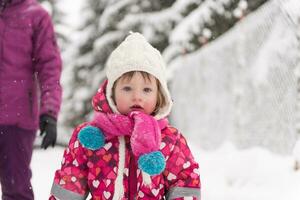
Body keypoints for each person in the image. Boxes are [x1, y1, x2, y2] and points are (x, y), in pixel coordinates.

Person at [49, 32, 200, 200]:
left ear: (159, 95)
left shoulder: (170, 140)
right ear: (111, 93)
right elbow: (70, 185)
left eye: (147, 90)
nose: (137, 96)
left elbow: (184, 185)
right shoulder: (90, 137)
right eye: (127, 88)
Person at [0, 0, 62, 199]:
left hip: (17, 120)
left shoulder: (36, 16)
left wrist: (49, 111)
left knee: (16, 188)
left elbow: (49, 67)